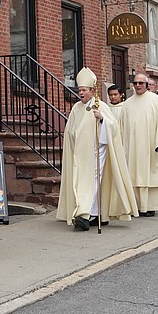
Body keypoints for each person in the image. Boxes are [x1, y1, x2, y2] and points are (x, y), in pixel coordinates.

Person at [57, 68, 137, 230]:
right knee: (81, 182)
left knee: (91, 183)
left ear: (92, 91)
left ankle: (84, 215)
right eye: (79, 90)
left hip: (95, 153)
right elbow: (70, 129)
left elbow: (113, 128)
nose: (81, 93)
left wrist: (102, 120)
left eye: (84, 90)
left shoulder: (100, 106)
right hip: (79, 154)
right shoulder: (76, 108)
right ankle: (93, 214)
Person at [119, 73, 158, 217]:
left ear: (147, 85)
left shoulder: (156, 101)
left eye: (141, 83)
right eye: (135, 83)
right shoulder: (127, 104)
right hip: (132, 147)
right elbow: (121, 126)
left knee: (150, 175)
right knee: (133, 175)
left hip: (151, 146)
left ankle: (150, 206)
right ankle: (135, 205)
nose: (137, 85)